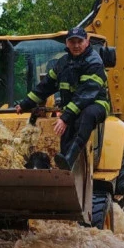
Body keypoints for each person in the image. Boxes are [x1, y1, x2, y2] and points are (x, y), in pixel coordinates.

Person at [15, 27, 110, 170]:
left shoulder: (94, 62)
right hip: (73, 108)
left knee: (86, 115)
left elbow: (85, 95)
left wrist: (65, 118)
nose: (76, 45)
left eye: (79, 41)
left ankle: (69, 159)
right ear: (67, 43)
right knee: (65, 133)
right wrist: (25, 104)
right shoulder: (62, 63)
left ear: (87, 42)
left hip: (95, 104)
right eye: (72, 42)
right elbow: (45, 86)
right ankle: (64, 169)